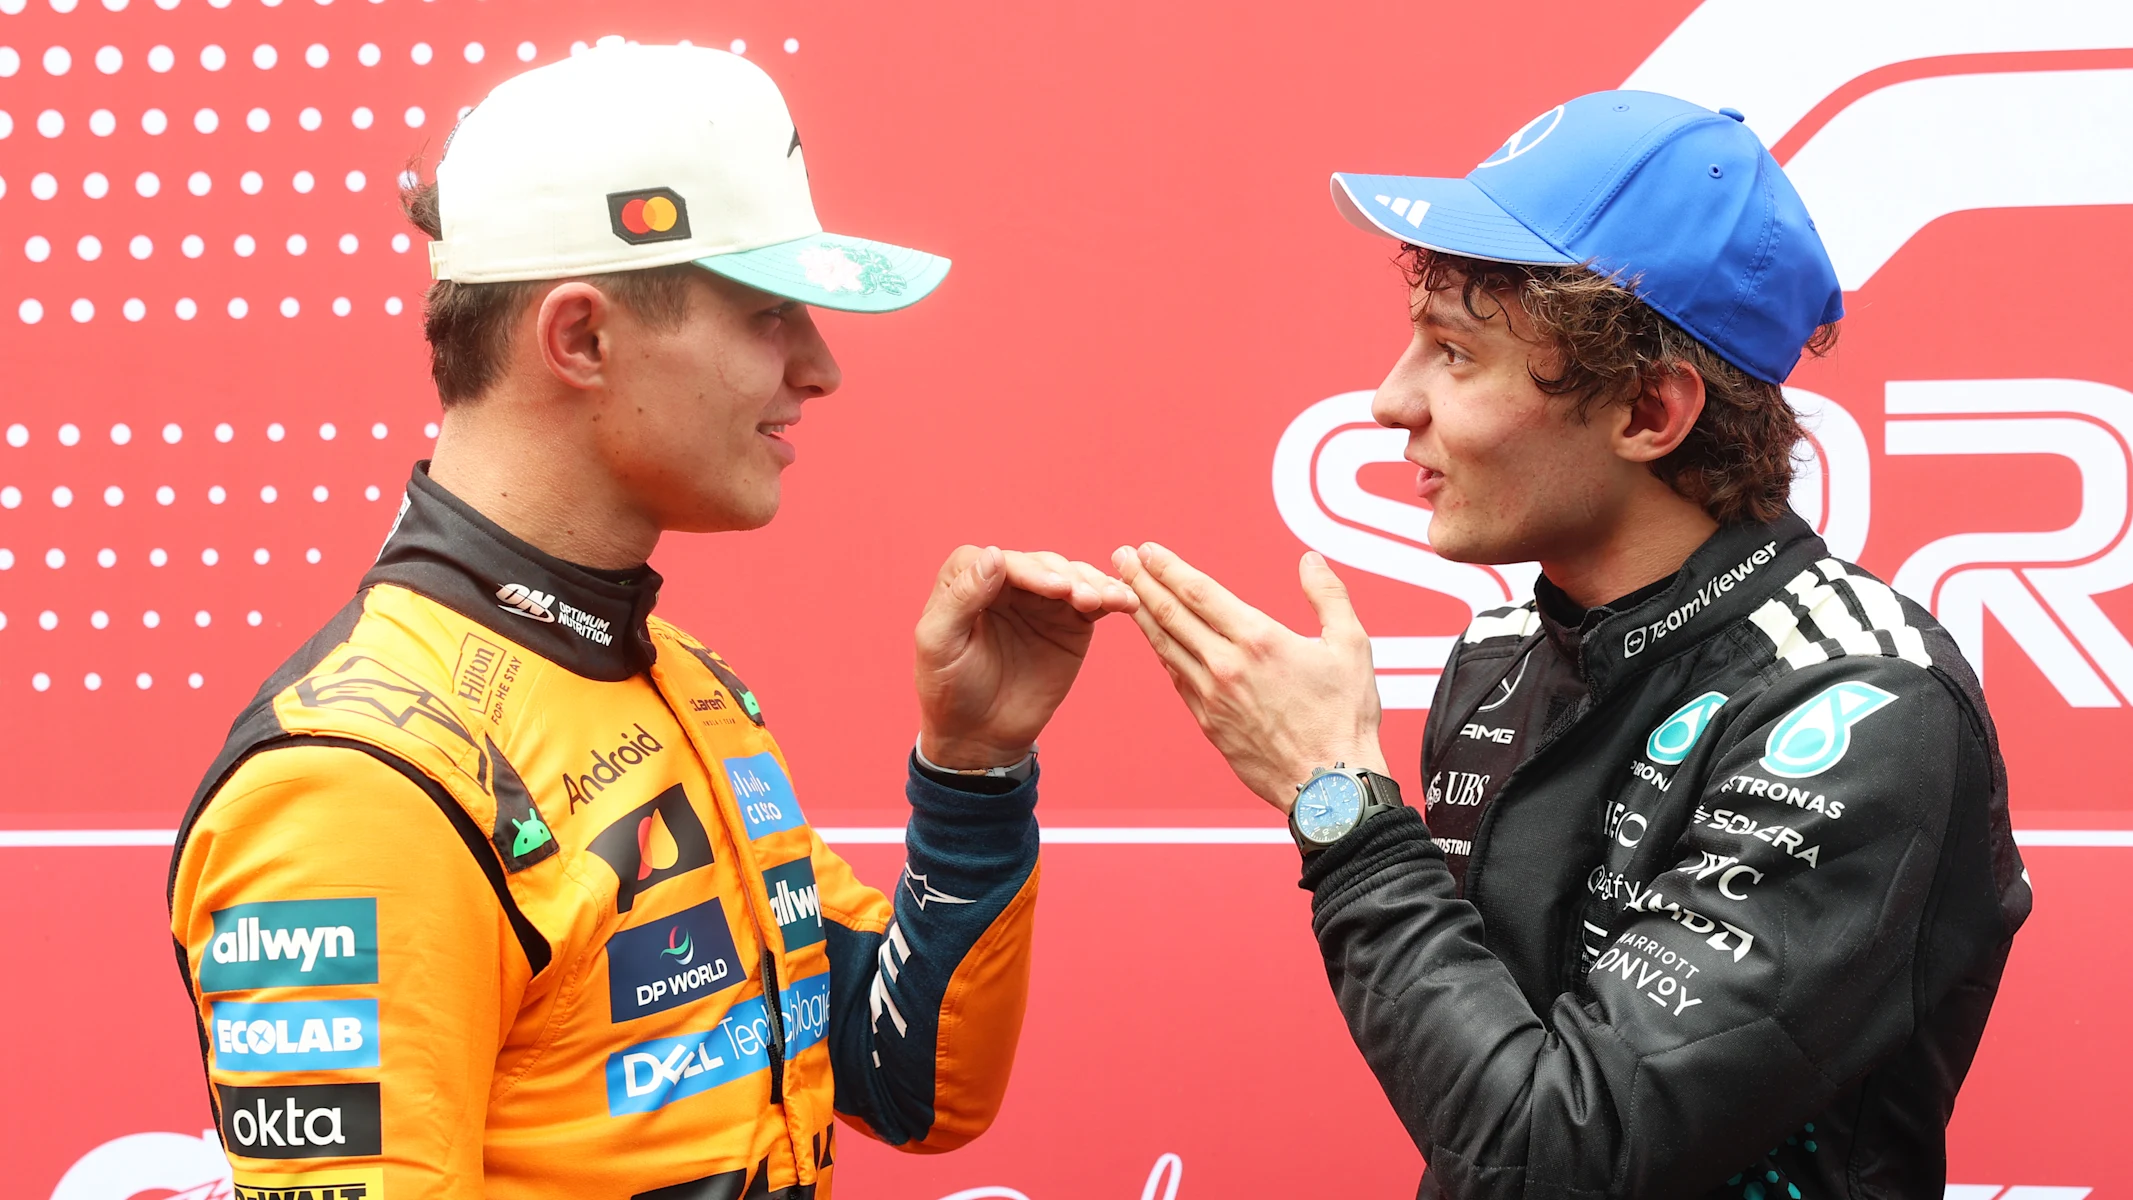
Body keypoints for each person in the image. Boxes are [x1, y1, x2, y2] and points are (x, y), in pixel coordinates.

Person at [167, 44, 1134, 1199]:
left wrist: (973, 772)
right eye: (770, 315)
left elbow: (909, 1079)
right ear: (580, 338)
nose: (821, 369)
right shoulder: (357, 782)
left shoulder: (679, 680)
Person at [1113, 91, 2030, 1198]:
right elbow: (1477, 1104)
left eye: (1454, 353)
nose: (1388, 401)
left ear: (1647, 412)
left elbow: (1553, 1158)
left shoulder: (1863, 706)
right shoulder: (1498, 658)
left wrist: (1339, 805)